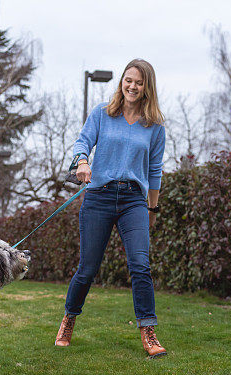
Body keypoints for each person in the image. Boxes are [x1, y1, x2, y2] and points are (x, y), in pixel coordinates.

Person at [55, 58, 167, 359]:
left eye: (139, 82)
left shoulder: (154, 127)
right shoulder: (102, 114)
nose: (132, 86)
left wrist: (151, 210)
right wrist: (82, 162)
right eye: (128, 80)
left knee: (140, 265)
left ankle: (148, 331)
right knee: (88, 269)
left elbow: (154, 170)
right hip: (99, 197)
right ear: (122, 82)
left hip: (133, 200)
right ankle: (68, 319)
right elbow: (82, 143)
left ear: (147, 88)